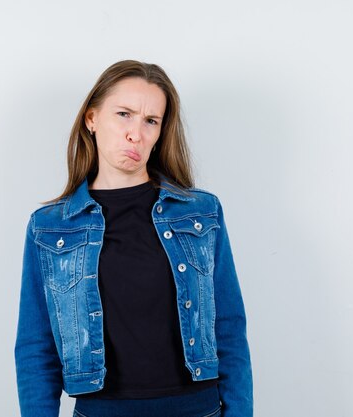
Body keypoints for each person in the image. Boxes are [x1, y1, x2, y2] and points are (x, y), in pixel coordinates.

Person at [14, 60, 252, 417]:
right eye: (124, 114)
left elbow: (229, 328)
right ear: (91, 119)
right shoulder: (50, 228)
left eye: (150, 121)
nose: (135, 133)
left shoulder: (200, 213)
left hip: (197, 410)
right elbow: (36, 348)